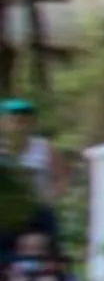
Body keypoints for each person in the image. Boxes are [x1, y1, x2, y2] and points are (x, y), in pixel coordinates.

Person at [0, 99, 54, 250]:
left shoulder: (44, 148)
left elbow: (61, 176)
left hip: (36, 209)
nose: (18, 124)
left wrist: (49, 197)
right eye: (13, 119)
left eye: (23, 119)